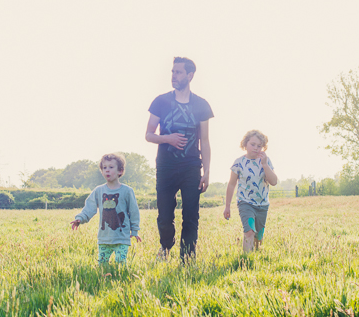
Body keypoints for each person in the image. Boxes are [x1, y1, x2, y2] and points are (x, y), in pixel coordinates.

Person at [146, 57, 213, 261]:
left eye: (178, 72)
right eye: (172, 72)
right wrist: (168, 139)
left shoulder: (201, 105)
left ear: (190, 76)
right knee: (165, 215)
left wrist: (207, 172)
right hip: (166, 166)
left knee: (191, 214)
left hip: (191, 166)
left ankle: (187, 256)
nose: (174, 76)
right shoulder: (161, 101)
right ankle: (165, 247)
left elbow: (205, 140)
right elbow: (149, 134)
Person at [71, 153, 141, 265]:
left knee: (120, 265)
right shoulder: (99, 191)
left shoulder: (127, 191)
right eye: (104, 168)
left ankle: (119, 280)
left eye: (111, 167)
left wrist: (135, 230)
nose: (107, 170)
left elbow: (134, 212)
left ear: (120, 171)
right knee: (102, 266)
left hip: (122, 238)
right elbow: (89, 207)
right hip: (104, 238)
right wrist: (80, 218)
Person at [223, 130, 278, 252]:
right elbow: (231, 184)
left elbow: (274, 181)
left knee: (258, 236)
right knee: (249, 232)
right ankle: (246, 262)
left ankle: (256, 257)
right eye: (253, 144)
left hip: (262, 204)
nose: (256, 148)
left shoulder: (266, 161)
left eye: (259, 146)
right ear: (245, 144)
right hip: (245, 202)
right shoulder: (239, 162)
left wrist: (264, 165)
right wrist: (227, 206)